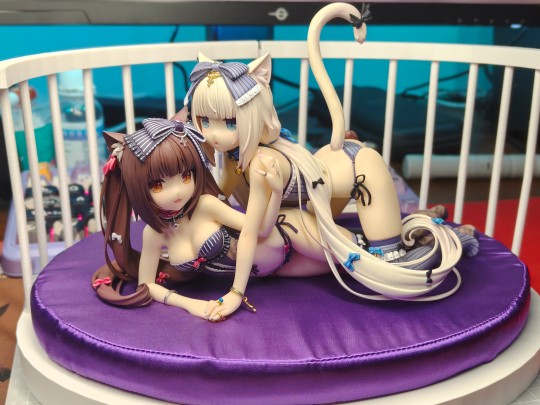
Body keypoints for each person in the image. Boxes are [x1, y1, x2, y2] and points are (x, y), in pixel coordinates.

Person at [182, 3, 477, 317]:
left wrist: (236, 293)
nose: (214, 134)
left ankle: (439, 235)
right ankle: (419, 224)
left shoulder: (260, 164)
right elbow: (220, 194)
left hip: (357, 170)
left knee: (389, 263)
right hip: (316, 192)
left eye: (229, 122)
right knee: (316, 243)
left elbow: (256, 230)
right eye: (205, 121)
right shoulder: (234, 154)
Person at [93, 118, 361, 321]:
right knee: (343, 271)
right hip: (277, 270)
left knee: (359, 257)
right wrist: (191, 305)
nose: (177, 192)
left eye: (185, 177)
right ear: (138, 187)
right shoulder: (154, 234)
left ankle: (351, 156)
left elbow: (261, 230)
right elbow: (147, 285)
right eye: (157, 185)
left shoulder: (205, 206)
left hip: (289, 232)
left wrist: (276, 193)